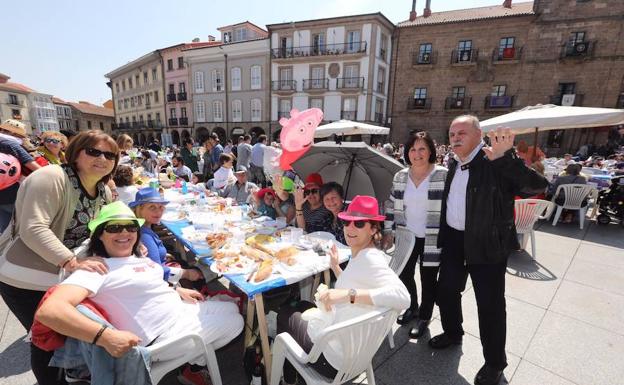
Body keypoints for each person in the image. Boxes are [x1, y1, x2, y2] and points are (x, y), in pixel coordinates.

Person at [34, 201, 244, 384]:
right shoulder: (95, 268)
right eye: (114, 227)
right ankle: (195, 364)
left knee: (231, 308)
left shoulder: (134, 257)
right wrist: (105, 337)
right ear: (100, 236)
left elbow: (146, 284)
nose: (124, 233)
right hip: (163, 337)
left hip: (179, 312)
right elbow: (49, 311)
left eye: (130, 227)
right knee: (237, 322)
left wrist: (177, 290)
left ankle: (194, 363)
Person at [431, 116, 548, 385]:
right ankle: (452, 333)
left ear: (478, 134)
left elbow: (538, 186)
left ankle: (495, 364)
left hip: (487, 245)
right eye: (451, 134)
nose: (455, 137)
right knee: (446, 291)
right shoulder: (453, 162)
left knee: (491, 307)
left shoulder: (495, 160)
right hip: (453, 241)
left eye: (462, 132)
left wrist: (506, 157)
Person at [0, 130, 118, 385]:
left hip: (58, 275)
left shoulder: (102, 190)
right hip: (25, 278)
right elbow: (34, 228)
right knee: (46, 338)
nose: (102, 158)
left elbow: (99, 228)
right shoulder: (52, 177)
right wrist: (71, 261)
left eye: (110, 155)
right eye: (94, 151)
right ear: (76, 153)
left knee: (66, 334)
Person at [276, 195, 409, 385]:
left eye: (360, 223)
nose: (350, 228)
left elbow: (403, 297)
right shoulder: (363, 254)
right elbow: (353, 283)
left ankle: (289, 379)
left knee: (285, 313)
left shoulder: (371, 260)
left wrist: (349, 295)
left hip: (331, 360)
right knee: (303, 304)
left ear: (373, 229)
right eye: (347, 222)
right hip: (353, 353)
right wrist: (336, 267)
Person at [383, 131, 447, 338]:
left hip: (432, 237)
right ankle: (413, 307)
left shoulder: (442, 175)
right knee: (403, 274)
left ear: (430, 151)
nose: (417, 154)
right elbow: (391, 204)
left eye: (422, 149)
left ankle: (424, 317)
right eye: (412, 149)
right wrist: (387, 231)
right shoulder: (400, 176)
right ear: (407, 152)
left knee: (428, 279)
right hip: (406, 236)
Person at [130, 188, 204, 284]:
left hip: (166, 268)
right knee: (203, 271)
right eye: (152, 207)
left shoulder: (144, 227)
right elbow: (157, 271)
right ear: (139, 209)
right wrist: (187, 273)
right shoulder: (145, 236)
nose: (158, 212)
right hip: (165, 280)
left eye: (161, 207)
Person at [0, 119, 42, 232]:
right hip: (11, 195)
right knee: (17, 228)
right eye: (22, 136)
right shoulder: (10, 144)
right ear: (13, 133)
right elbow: (36, 168)